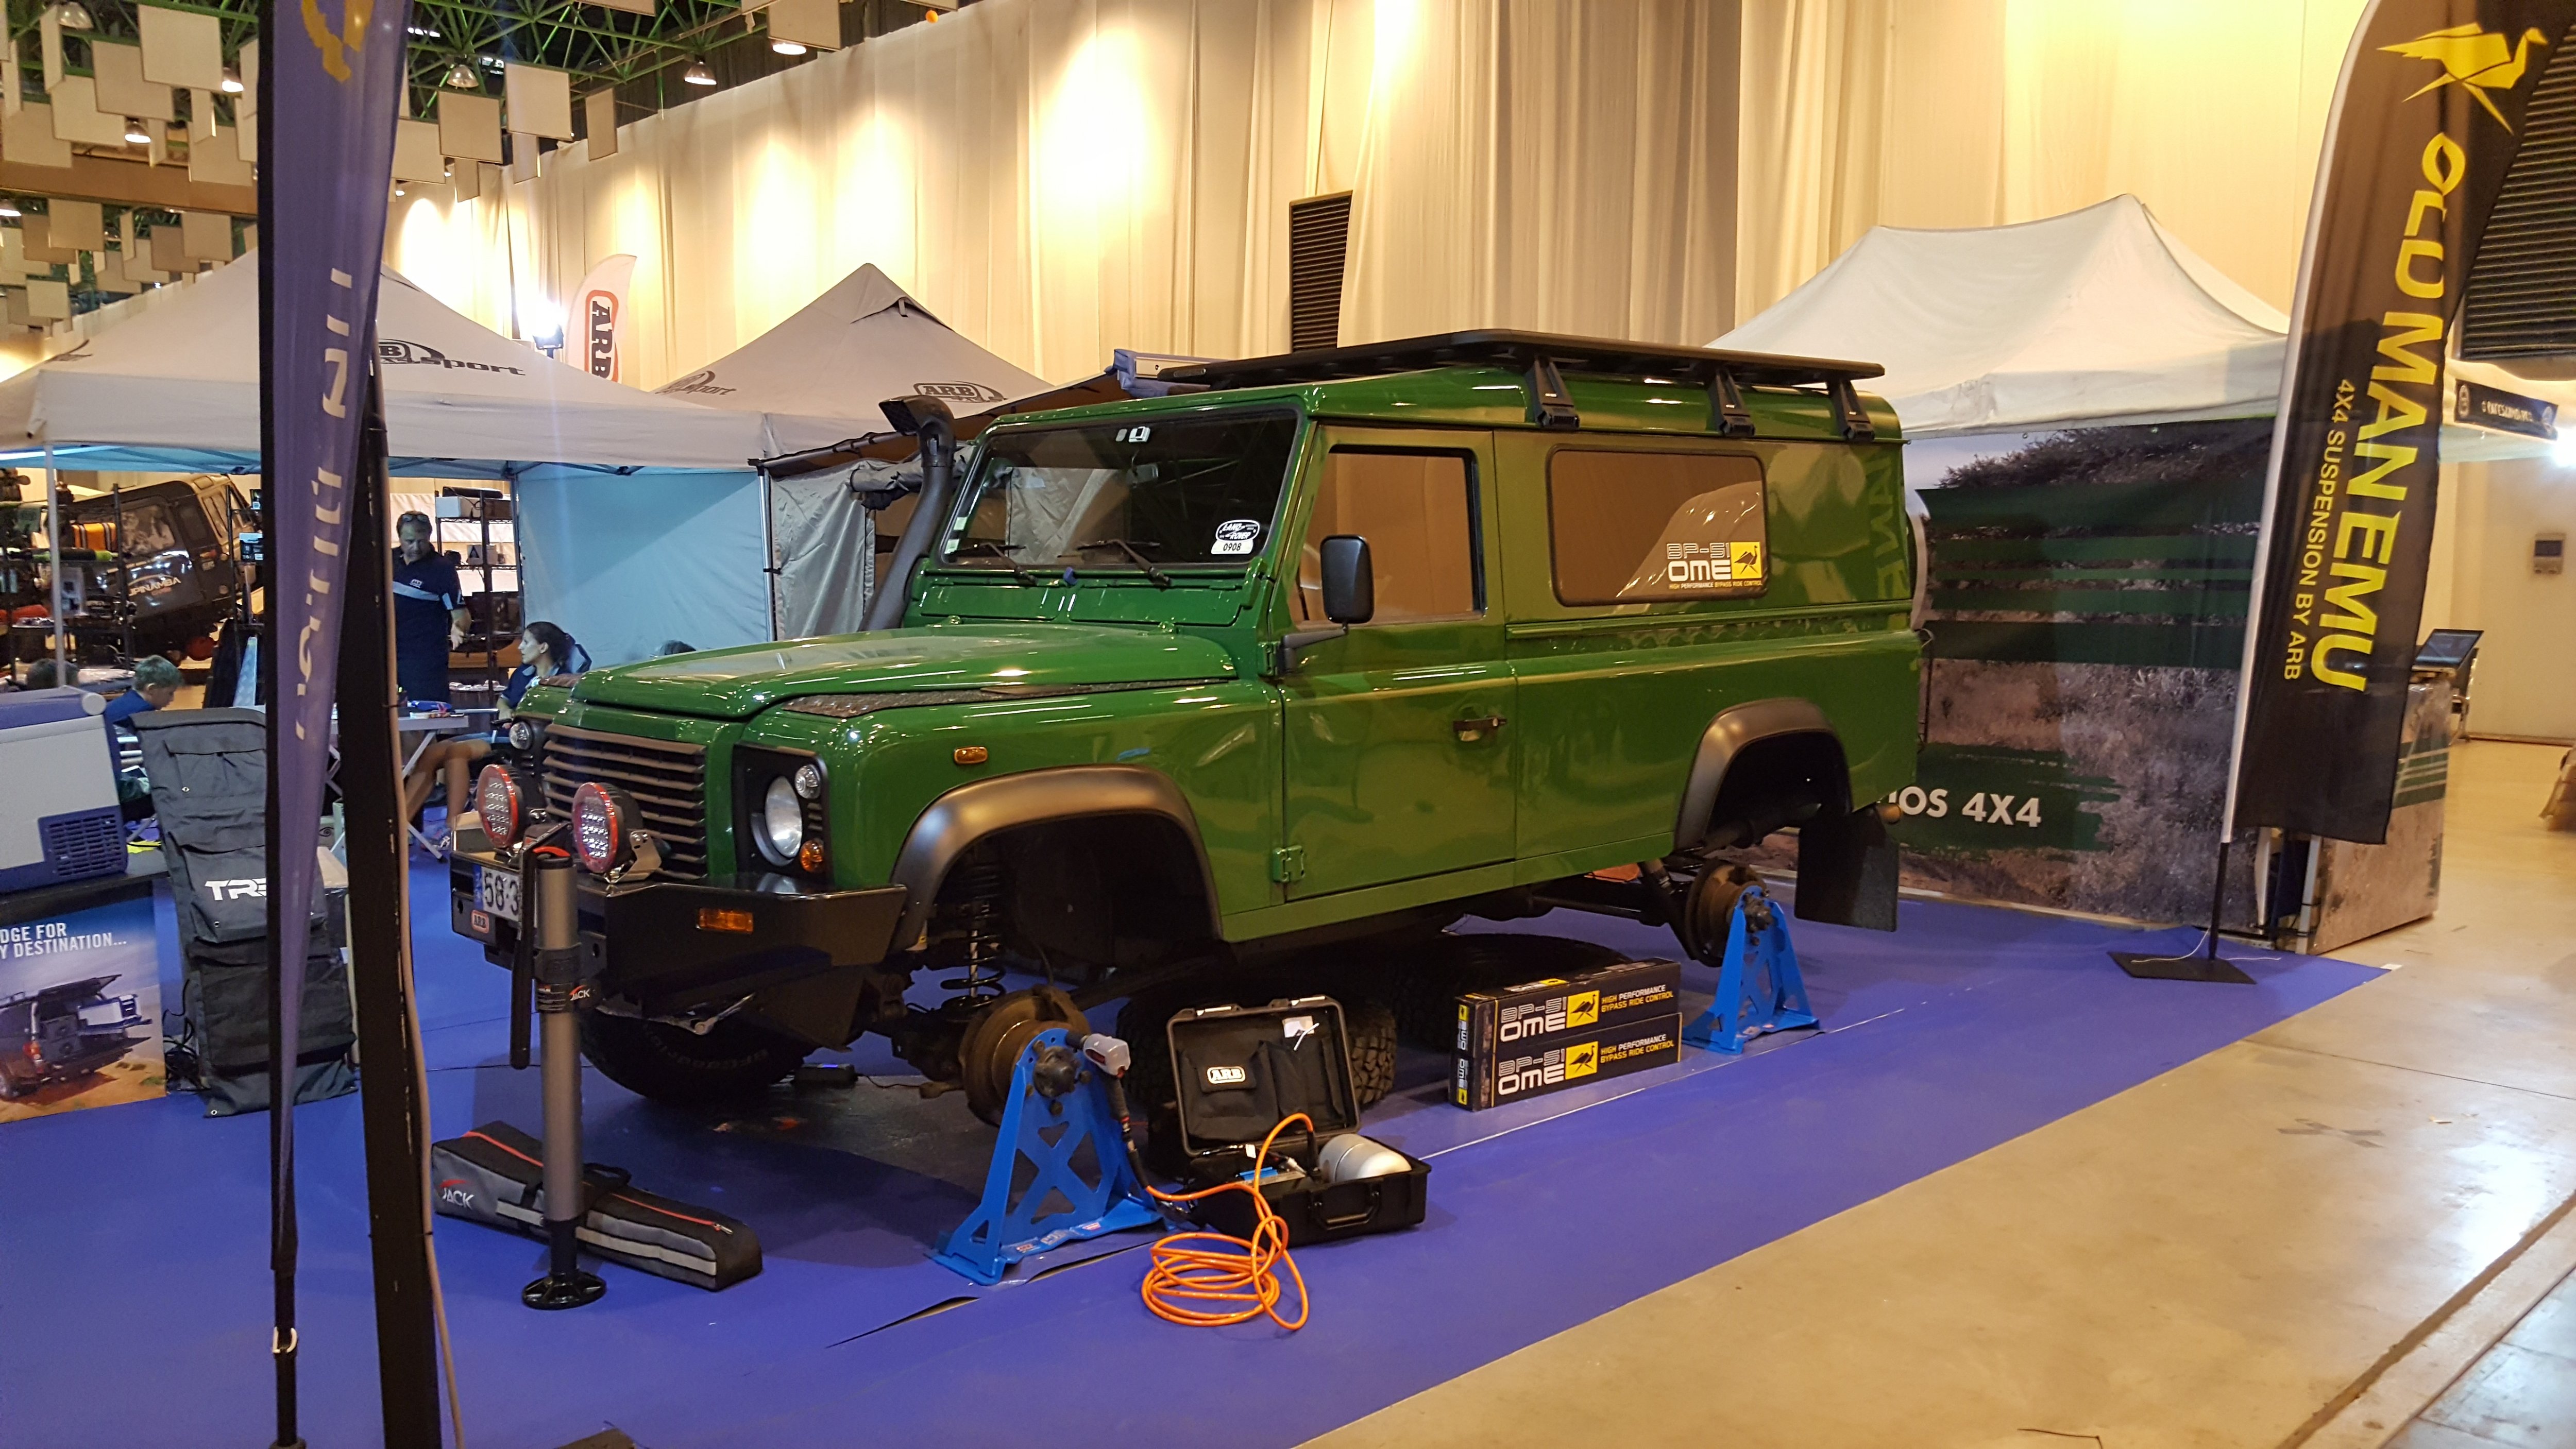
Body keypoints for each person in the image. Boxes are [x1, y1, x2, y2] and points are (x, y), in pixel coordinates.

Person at [401, 622, 587, 838]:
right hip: (503, 731)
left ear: (543, 647)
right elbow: (503, 700)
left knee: (456, 751)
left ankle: (454, 827)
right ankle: (402, 825)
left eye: (526, 642)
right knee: (431, 753)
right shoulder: (524, 673)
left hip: (525, 741)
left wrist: (519, 718)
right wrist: (505, 710)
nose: (520, 647)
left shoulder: (561, 681)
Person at [392, 512, 467, 707]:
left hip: (424, 658)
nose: (416, 548)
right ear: (399, 537)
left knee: (428, 711)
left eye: (421, 541)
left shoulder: (441, 569)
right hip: (387, 651)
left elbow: (461, 613)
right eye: (409, 541)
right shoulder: (387, 560)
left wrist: (458, 628)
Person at [101, 655, 181, 739]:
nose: (172, 699)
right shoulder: (143, 713)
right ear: (152, 689)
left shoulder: (129, 697)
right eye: (170, 693)